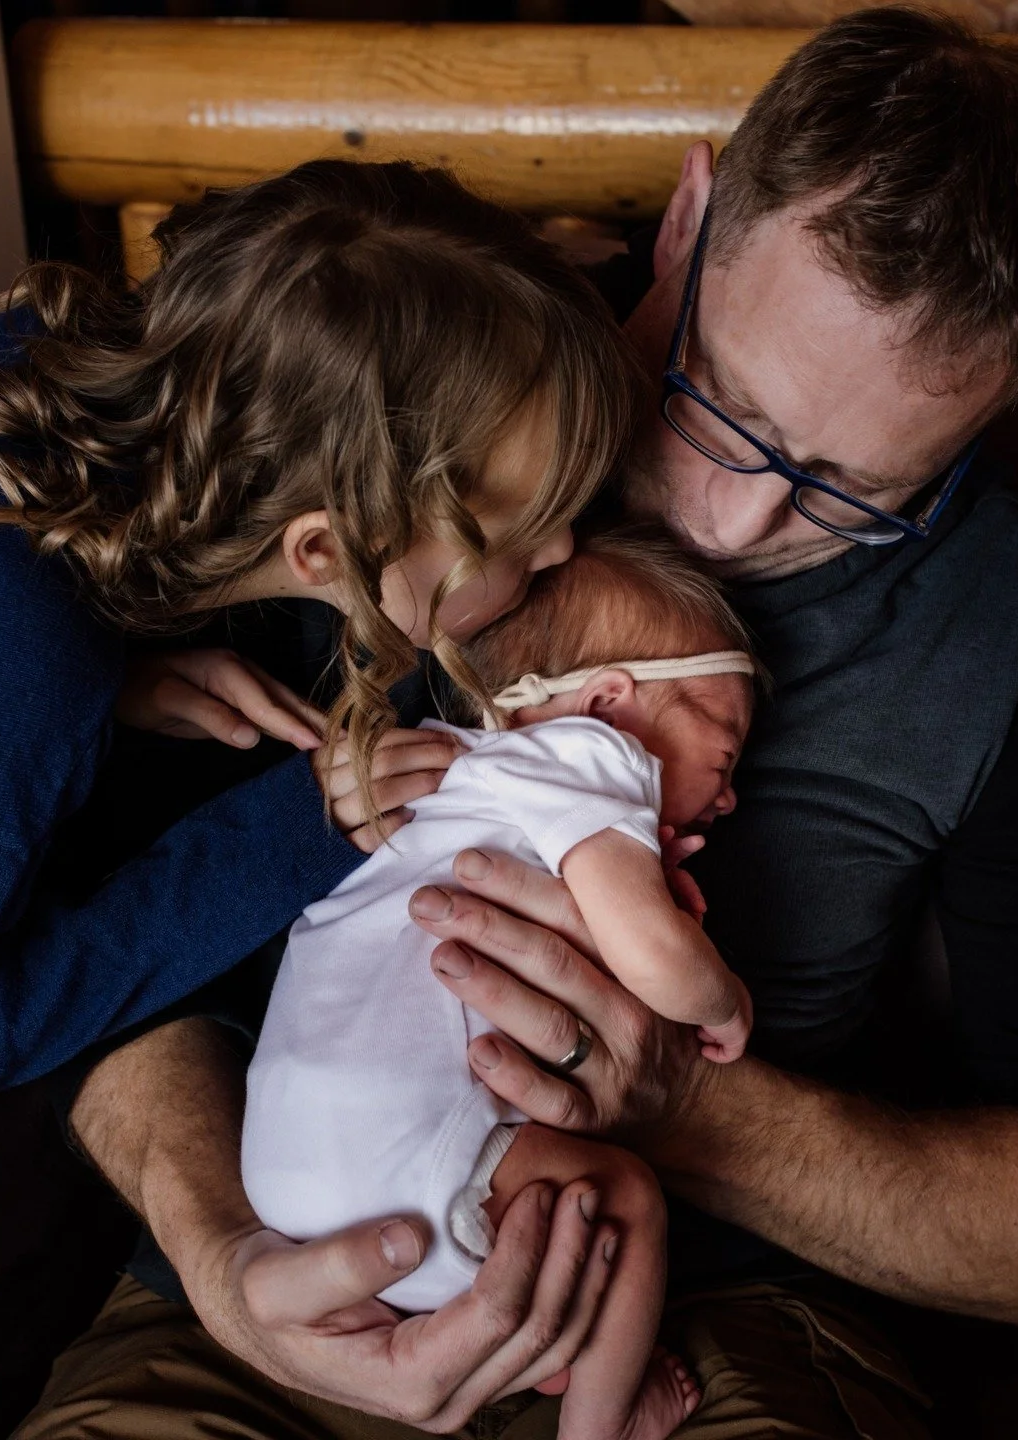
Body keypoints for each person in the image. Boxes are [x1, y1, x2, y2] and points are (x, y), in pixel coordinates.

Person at [25, 10, 1018, 1440]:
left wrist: (677, 1109)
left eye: (855, 490)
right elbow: (69, 936)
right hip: (266, 1282)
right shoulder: (411, 376)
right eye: (724, 402)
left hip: (701, 1329)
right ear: (691, 217)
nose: (734, 518)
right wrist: (227, 1257)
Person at [0, 161, 651, 1384]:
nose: (564, 551)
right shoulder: (3, 668)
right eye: (522, 535)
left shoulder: (45, 363)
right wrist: (285, 833)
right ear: (323, 552)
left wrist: (109, 675)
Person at [243, 529, 757, 1440]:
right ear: (609, 703)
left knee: (542, 1196)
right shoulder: (592, 759)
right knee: (625, 1201)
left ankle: (564, 1341)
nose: (729, 798)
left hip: (279, 1174)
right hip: (390, 1150)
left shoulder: (448, 765)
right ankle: (607, 1419)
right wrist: (720, 997)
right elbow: (652, 958)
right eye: (722, 754)